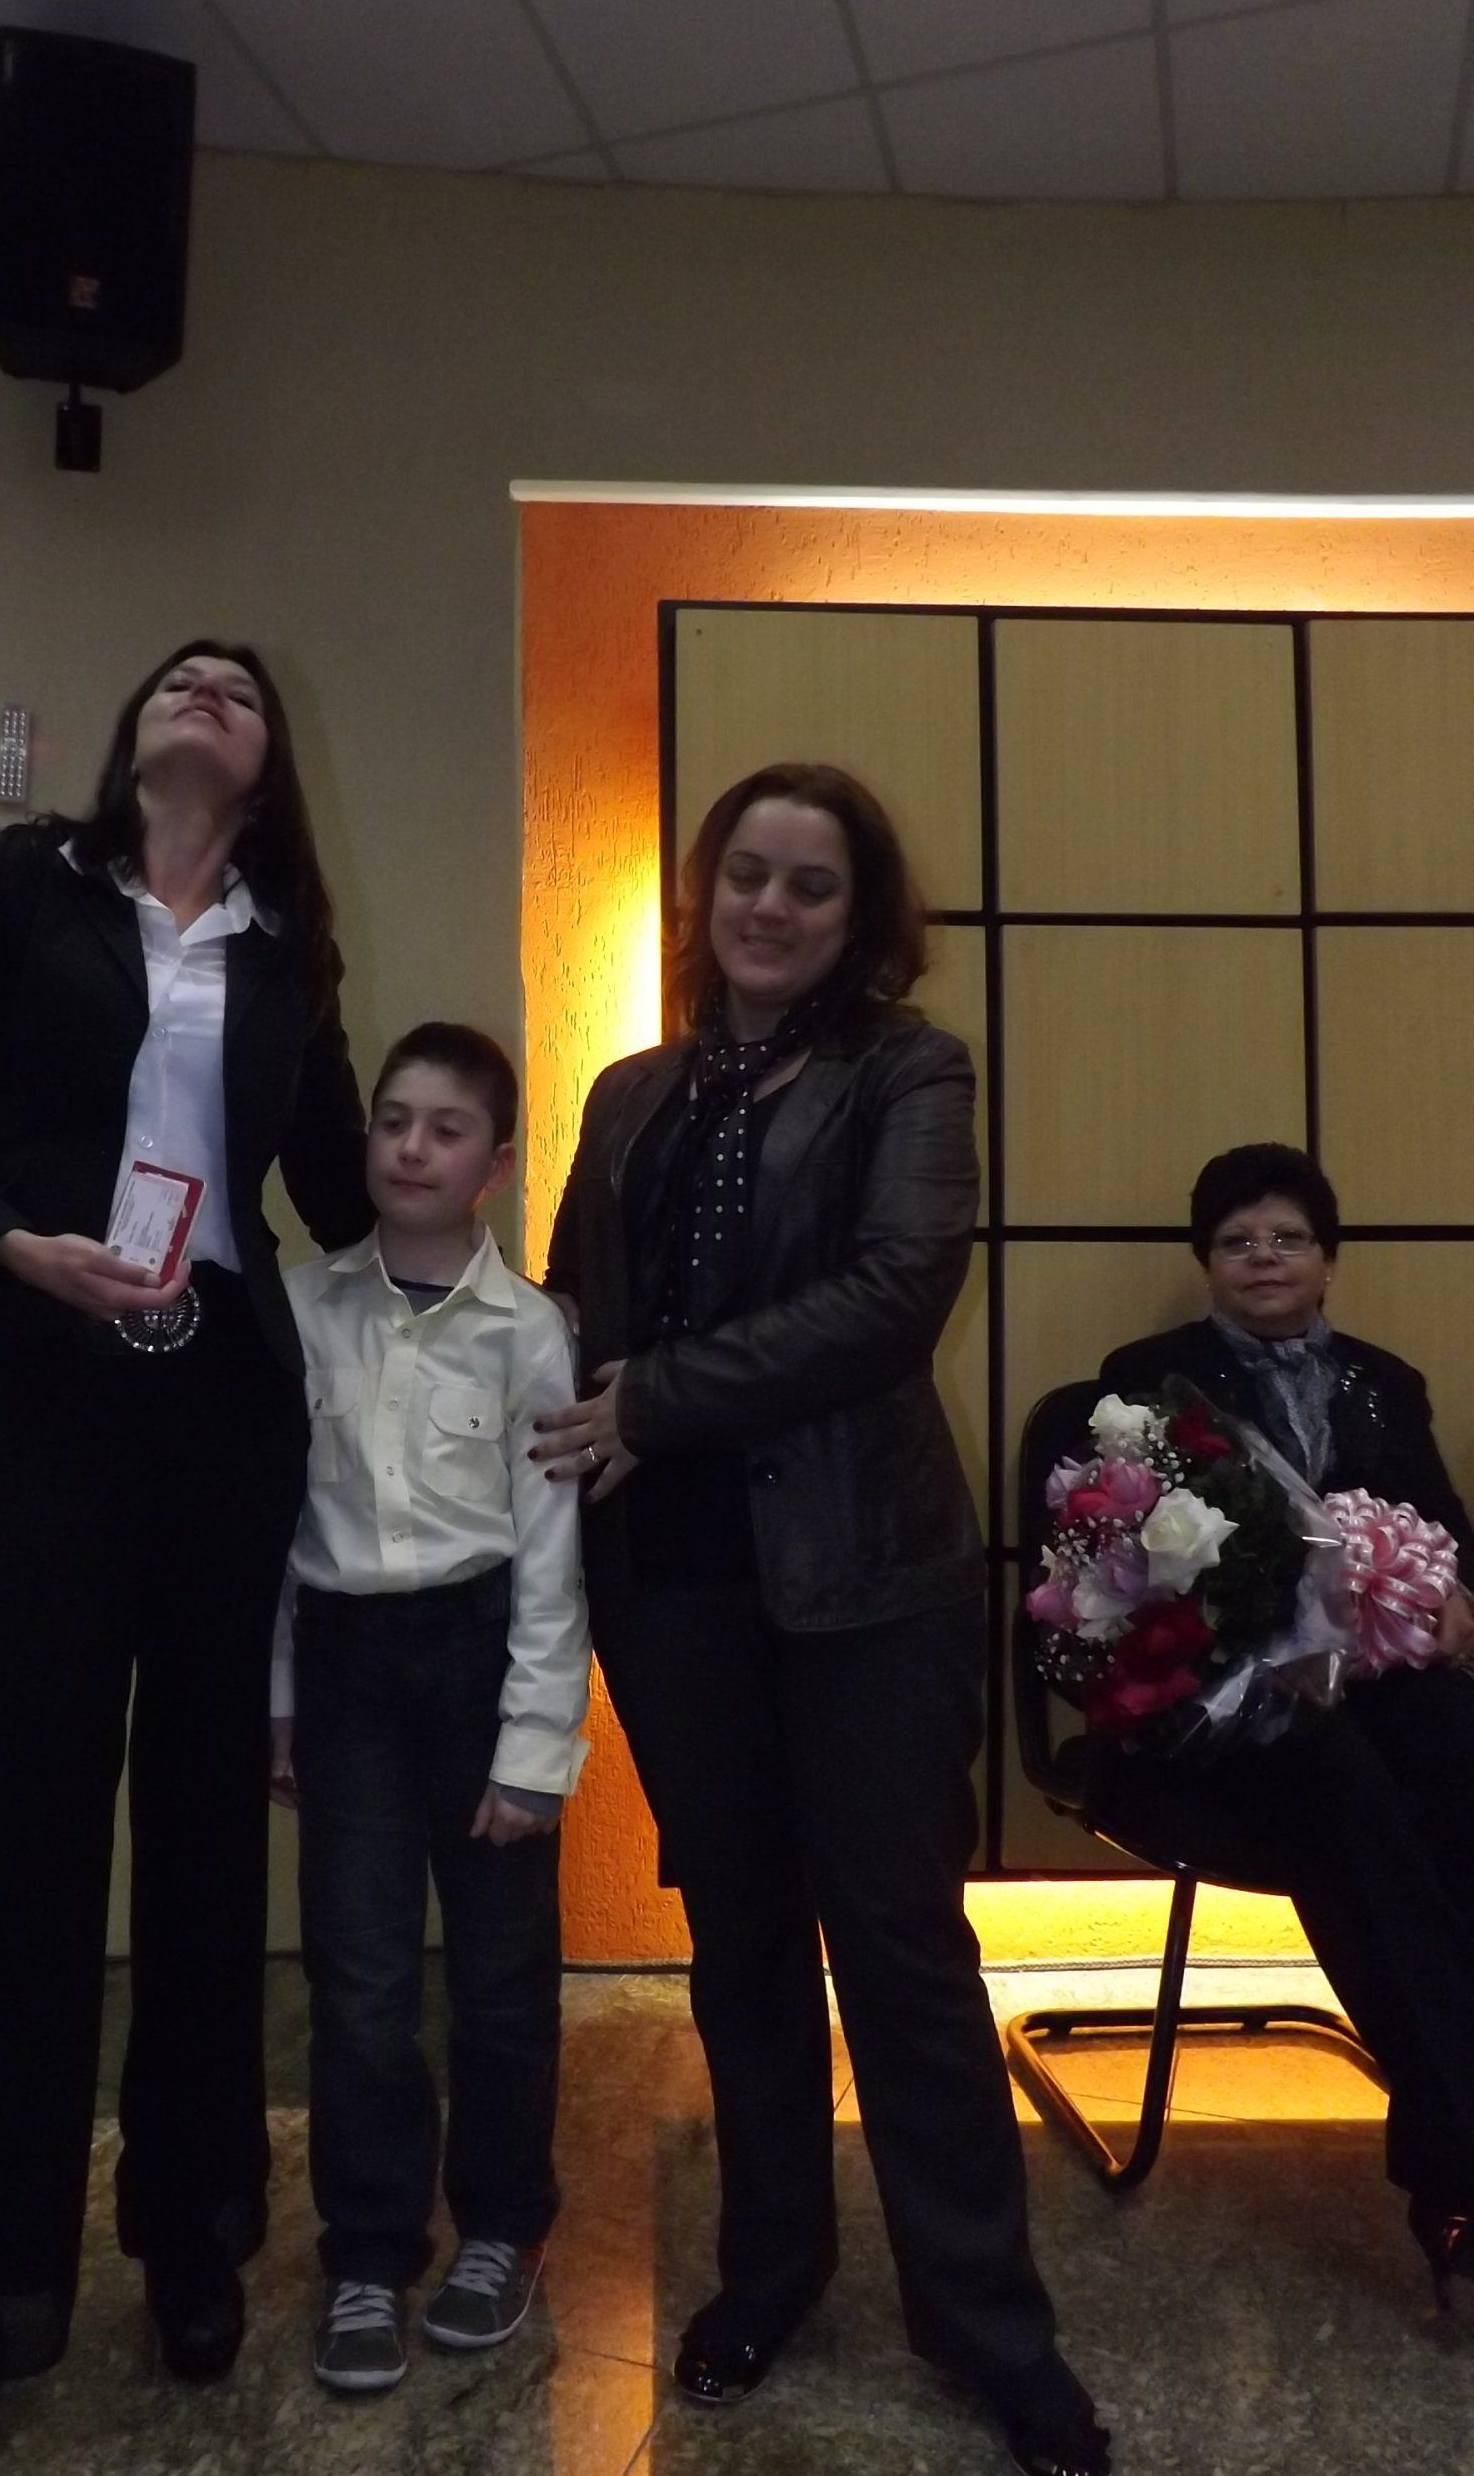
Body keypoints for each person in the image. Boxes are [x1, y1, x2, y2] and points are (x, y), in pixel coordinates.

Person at [537, 763, 1107, 2476]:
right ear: (705, 893)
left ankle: (989, 2327)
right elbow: (575, 1304)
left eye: (812, 884)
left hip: (864, 1578)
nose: (771, 907)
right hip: (673, 1582)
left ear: (862, 919)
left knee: (903, 1950)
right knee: (741, 1946)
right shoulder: (632, 1091)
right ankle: (770, 2269)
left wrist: (657, 1400)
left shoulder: (909, 1071)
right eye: (749, 875)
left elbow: (893, 1297)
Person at [0, 639, 371, 2420]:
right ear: (136, 735)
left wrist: (480, 1221)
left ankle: (196, 2234)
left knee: (210, 1827)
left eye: (241, 684)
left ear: (268, 760)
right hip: (42, 1383)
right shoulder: (19, 889)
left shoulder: (289, 948)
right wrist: (13, 1249)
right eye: (182, 675)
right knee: (14, 1820)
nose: (207, 684)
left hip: (225, 1405)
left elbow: (339, 1188)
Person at [268, 1021, 589, 2394]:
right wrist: (279, 1700)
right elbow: (277, 1529)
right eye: (393, 1120)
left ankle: (502, 2228)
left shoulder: (531, 1329)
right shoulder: (301, 1307)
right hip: (345, 1667)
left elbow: (553, 1550)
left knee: (504, 1982)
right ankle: (366, 2249)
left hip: (480, 1658)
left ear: (494, 1165)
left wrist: (535, 1747)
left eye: (446, 1129)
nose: (411, 1147)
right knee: (361, 1984)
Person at [1094, 1142, 1474, 2300]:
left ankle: (1448, 2134)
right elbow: (1123, 1564)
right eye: (1239, 1240)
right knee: (1345, 1792)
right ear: (1207, 1260)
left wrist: (1453, 1596)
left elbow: (1445, 1526)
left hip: (1376, 1683)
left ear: (1328, 1258)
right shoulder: (1150, 1380)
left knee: (1455, 1756)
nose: (1265, 1257)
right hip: (1223, 1699)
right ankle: (1456, 2160)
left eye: (1289, 1238)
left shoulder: (1384, 1380)